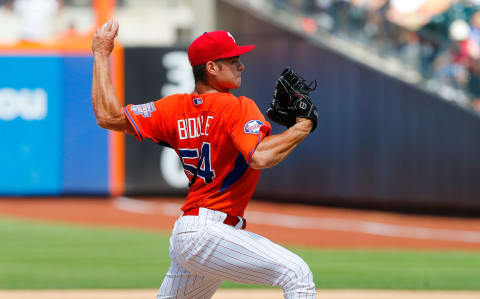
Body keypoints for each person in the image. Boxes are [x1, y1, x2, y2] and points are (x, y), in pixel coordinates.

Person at [91, 19, 316, 299]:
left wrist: (101, 53)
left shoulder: (173, 108)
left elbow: (108, 116)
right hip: (211, 233)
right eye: (233, 60)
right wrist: (302, 127)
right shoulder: (238, 106)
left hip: (191, 234)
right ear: (211, 67)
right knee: (297, 274)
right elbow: (260, 156)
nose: (241, 65)